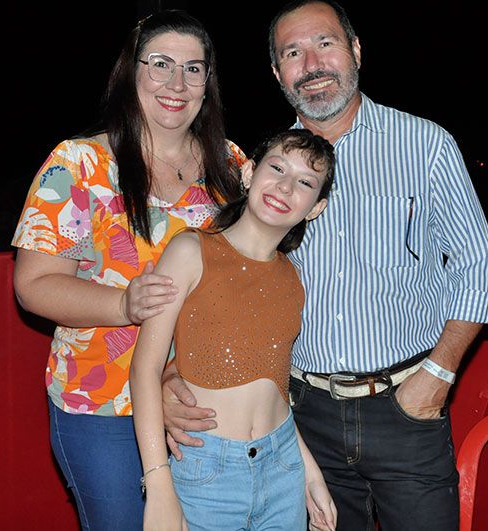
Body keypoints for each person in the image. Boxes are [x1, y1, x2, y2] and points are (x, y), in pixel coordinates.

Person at [162, 1, 488, 530]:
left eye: (325, 44)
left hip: (406, 406)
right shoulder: (269, 170)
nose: (312, 64)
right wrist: (173, 372)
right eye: (292, 53)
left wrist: (436, 378)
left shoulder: (425, 145)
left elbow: (478, 266)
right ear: (277, 72)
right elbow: (221, 284)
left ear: (356, 50)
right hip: (299, 417)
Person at [11, 10, 245, 531]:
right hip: (103, 407)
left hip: (198, 399)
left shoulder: (232, 166)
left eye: (193, 69)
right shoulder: (79, 164)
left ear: (208, 83)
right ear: (130, 71)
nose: (176, 83)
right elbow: (33, 285)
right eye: (160, 64)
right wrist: (123, 303)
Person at [131, 129, 337, 531]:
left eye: (305, 182)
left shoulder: (293, 279)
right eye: (277, 168)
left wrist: (311, 474)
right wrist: (157, 484)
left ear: (316, 207)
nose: (285, 186)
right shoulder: (189, 251)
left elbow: (275, 391)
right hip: (205, 472)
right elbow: (144, 369)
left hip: (284, 469)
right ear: (248, 173)